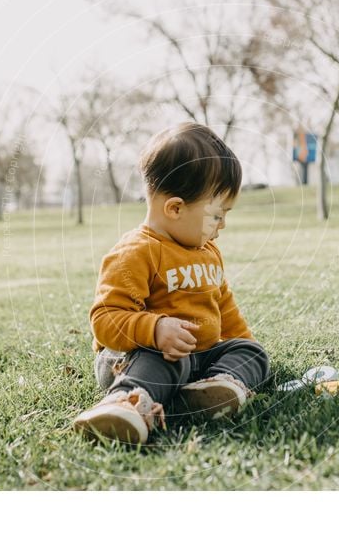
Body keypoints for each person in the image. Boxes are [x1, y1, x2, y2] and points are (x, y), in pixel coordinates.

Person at [74, 122, 271, 444]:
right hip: (137, 359)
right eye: (217, 215)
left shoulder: (207, 252)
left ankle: (215, 388)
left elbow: (223, 305)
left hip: (196, 358)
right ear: (176, 208)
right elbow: (105, 320)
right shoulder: (136, 252)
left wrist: (244, 347)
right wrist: (155, 329)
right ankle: (125, 402)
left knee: (250, 352)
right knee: (167, 359)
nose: (223, 225)